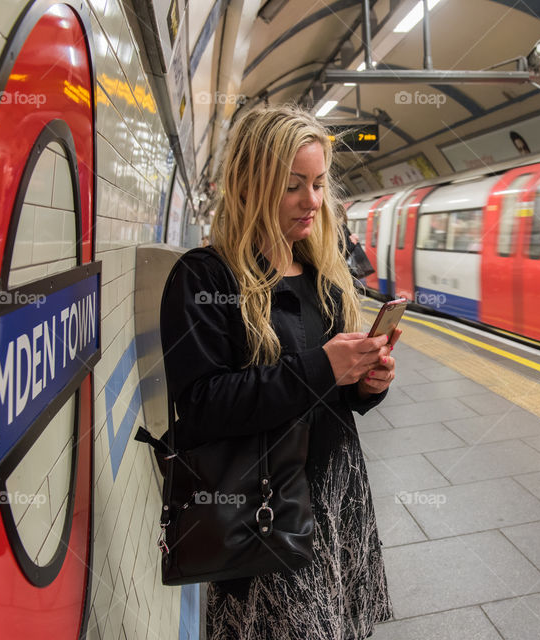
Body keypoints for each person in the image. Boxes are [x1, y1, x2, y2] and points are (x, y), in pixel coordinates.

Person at [159, 105, 397, 639]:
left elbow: (333, 397)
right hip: (261, 510)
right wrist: (321, 366)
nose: (312, 201)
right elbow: (201, 405)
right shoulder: (203, 278)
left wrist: (364, 383)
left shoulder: (321, 280)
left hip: (336, 495)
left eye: (317, 184)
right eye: (293, 185)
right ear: (247, 185)